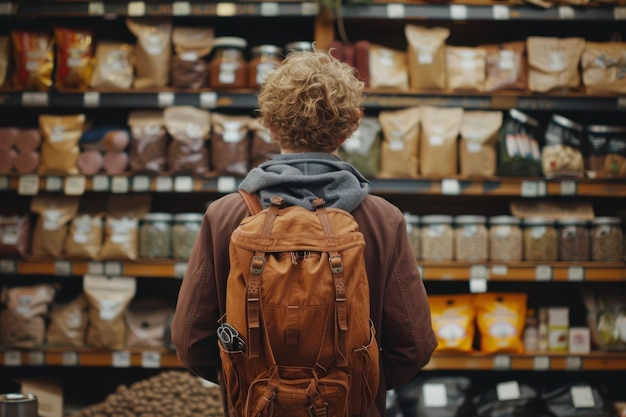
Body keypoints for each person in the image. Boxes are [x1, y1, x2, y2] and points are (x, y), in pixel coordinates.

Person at [171, 47, 437, 417]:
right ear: (353, 124)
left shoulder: (226, 215)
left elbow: (190, 343)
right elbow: (414, 347)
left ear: (269, 123)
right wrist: (350, 387)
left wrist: (254, 383)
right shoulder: (382, 220)